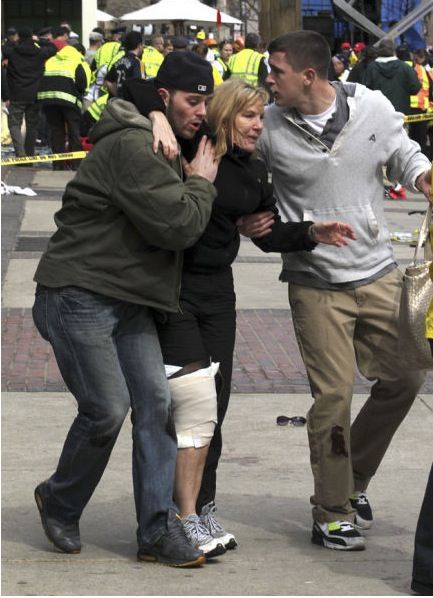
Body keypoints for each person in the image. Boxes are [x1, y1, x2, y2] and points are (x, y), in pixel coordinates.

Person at [124, 75, 356, 557]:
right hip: (175, 290)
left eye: (261, 117)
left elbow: (268, 233)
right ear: (226, 115)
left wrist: (311, 232)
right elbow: (134, 85)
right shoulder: (197, 144)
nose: (258, 125)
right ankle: (177, 517)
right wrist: (157, 117)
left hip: (218, 296)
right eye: (249, 115)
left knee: (215, 410)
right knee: (191, 407)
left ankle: (203, 506)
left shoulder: (253, 170)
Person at [238, 30, 431, 551]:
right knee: (334, 397)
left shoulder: (371, 106)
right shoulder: (269, 125)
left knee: (407, 377)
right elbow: (230, 155)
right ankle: (331, 510)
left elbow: (403, 151)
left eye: (276, 71)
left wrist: (422, 176)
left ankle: (354, 479)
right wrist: (245, 214)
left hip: (377, 272)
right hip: (315, 283)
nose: (268, 80)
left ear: (308, 76)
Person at [32, 51, 219, 568]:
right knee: (107, 408)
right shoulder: (137, 146)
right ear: (164, 98)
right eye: (192, 101)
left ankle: (156, 530)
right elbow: (179, 225)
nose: (201, 112)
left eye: (205, 102)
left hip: (128, 299)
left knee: (156, 405)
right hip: (79, 292)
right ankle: (59, 499)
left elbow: (143, 92)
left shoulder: (164, 132)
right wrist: (202, 183)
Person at [3, 25, 56, 160]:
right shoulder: (40, 52)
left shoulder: (12, 52)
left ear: (19, 37)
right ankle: (30, 155)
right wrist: (38, 40)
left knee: (14, 125)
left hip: (17, 94)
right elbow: (53, 48)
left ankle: (21, 154)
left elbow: (5, 47)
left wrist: (15, 41)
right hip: (35, 95)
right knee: (32, 126)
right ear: (31, 37)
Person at [37, 41, 91, 170]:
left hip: (48, 99)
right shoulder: (79, 61)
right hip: (68, 100)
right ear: (80, 52)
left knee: (56, 131)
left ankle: (58, 165)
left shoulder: (52, 60)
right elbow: (83, 85)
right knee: (74, 131)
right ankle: (76, 165)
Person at [105, 31, 143, 97]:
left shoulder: (118, 61)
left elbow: (108, 80)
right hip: (129, 102)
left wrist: (117, 95)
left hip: (117, 101)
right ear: (139, 45)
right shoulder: (137, 62)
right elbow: (140, 85)